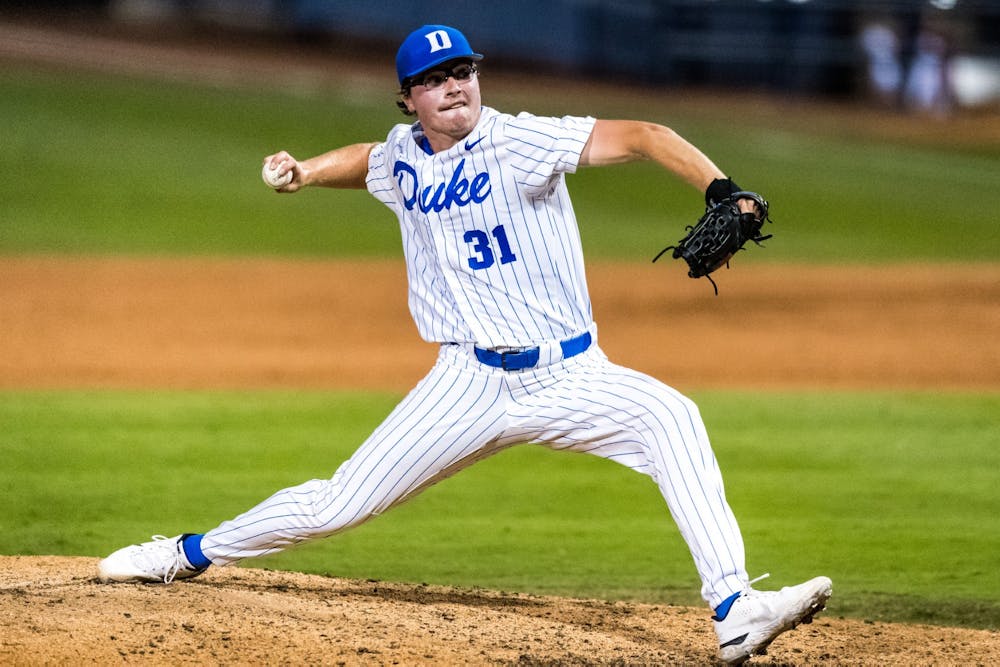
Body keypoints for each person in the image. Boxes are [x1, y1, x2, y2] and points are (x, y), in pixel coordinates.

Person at [98, 24, 831, 664]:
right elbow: (370, 159)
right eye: (434, 80)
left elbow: (645, 136)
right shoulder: (404, 153)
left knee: (673, 417)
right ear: (409, 99)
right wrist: (306, 173)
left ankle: (734, 609)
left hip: (571, 374)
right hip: (467, 383)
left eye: (462, 72)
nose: (453, 87)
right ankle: (183, 552)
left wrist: (720, 188)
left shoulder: (519, 140)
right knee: (339, 502)